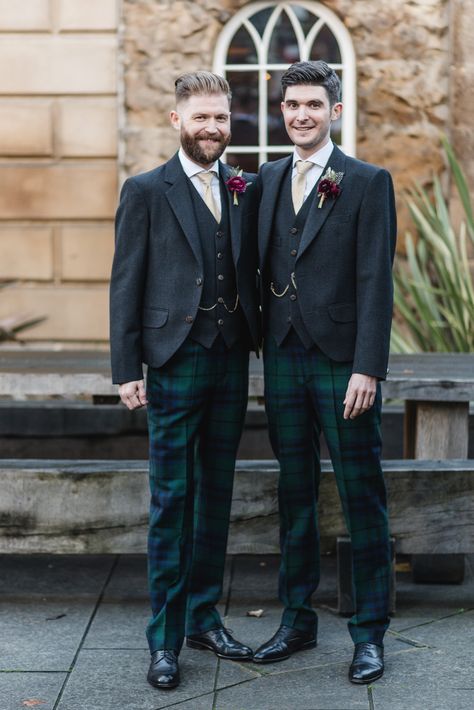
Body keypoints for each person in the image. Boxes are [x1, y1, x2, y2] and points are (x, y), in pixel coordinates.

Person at [109, 71, 260, 690]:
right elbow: (125, 282)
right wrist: (126, 370)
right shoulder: (145, 190)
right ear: (177, 120)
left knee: (216, 498)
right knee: (172, 503)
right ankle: (166, 640)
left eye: (221, 119)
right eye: (201, 118)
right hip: (171, 361)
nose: (212, 128)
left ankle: (203, 617)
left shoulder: (245, 187)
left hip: (229, 361)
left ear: (231, 122)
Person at [253, 60, 397, 684]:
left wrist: (369, 366)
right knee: (295, 492)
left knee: (361, 494)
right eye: (291, 106)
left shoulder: (366, 181)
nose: (301, 115)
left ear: (335, 111)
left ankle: (369, 633)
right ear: (281, 112)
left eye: (313, 104)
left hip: (343, 363)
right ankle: (296, 619)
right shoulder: (264, 178)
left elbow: (374, 280)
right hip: (282, 354)